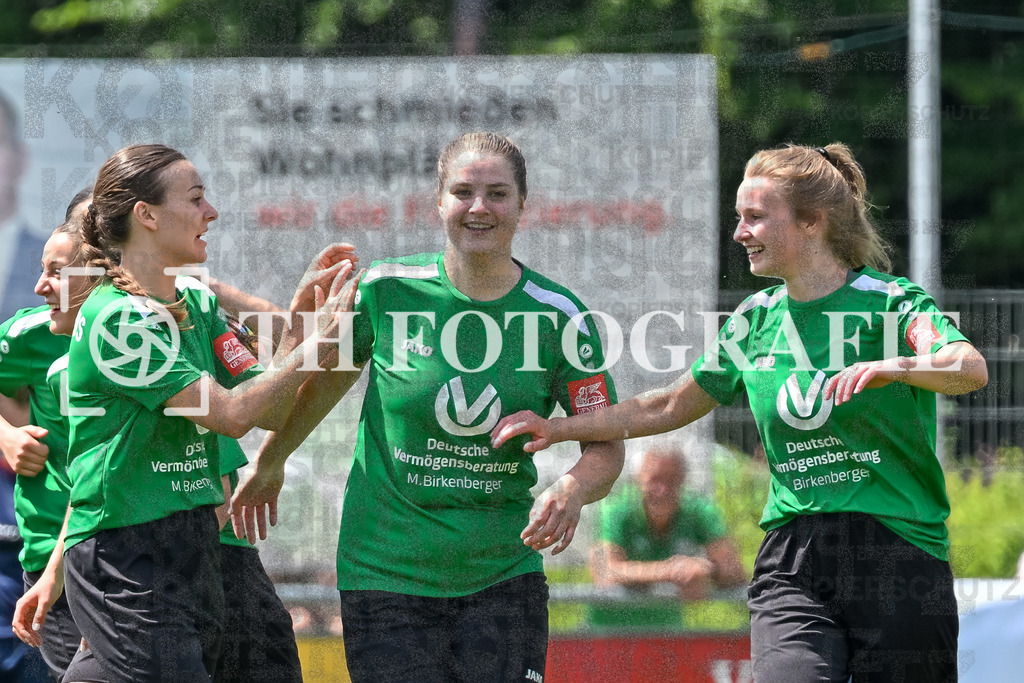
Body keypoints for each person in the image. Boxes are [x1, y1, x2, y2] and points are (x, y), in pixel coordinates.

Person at [492, 142, 989, 682]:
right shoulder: (755, 320)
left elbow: (967, 367)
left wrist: (896, 367)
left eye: (755, 217)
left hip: (899, 555)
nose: (739, 233)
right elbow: (668, 404)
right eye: (738, 217)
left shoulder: (890, 302)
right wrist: (559, 426)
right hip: (794, 560)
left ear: (811, 221)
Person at [231, 131, 626, 682]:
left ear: (522, 205)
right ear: (438, 202)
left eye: (497, 194)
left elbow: (605, 442)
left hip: (501, 577)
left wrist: (574, 487)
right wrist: (270, 460)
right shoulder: (385, 290)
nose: (479, 207)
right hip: (385, 574)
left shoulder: (560, 317)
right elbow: (322, 386)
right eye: (463, 192)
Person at [50, 143, 357, 681]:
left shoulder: (196, 305)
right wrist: (319, 346)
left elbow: (267, 407)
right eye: (195, 199)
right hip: (126, 552)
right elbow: (232, 416)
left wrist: (299, 327)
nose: (210, 212)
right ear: (146, 215)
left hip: (193, 546)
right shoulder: (120, 322)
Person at [590, 445, 745, 600]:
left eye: (671, 480)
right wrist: (670, 570)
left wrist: (705, 569)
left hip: (668, 616)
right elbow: (604, 572)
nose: (662, 490)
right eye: (654, 480)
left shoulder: (698, 511)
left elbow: (735, 571)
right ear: (639, 479)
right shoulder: (616, 509)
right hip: (613, 616)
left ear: (683, 480)